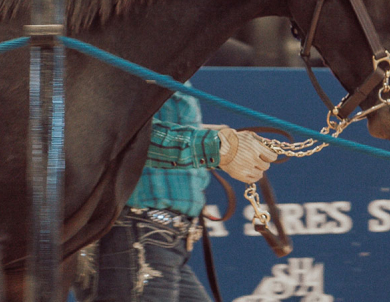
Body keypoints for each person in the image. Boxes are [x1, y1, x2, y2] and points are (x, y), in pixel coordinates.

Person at [70, 84, 277, 302]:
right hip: (134, 232)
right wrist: (215, 147)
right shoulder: (133, 59)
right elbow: (119, 132)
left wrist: (214, 140)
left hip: (151, 236)